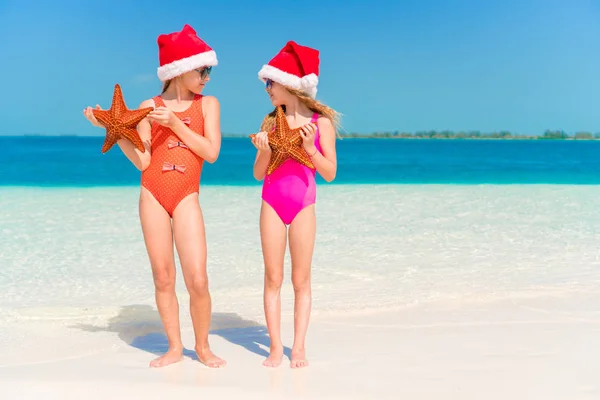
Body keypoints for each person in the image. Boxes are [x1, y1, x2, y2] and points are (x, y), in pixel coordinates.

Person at [83, 24, 225, 369]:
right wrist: (113, 131)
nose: (207, 77)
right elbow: (144, 161)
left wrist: (176, 124)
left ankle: (202, 347)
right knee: (163, 276)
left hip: (187, 195)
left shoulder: (208, 105)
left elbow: (211, 153)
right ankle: (175, 347)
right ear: (179, 70)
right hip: (153, 195)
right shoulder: (149, 106)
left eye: (209, 70)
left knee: (198, 278)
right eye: (201, 70)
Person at [250, 41, 339, 368]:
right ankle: (275, 347)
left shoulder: (320, 124)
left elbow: (329, 173)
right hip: (271, 203)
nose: (268, 89)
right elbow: (259, 174)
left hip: (304, 204)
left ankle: (298, 347)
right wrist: (264, 150)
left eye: (270, 83)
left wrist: (308, 148)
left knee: (301, 279)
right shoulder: (270, 123)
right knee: (273, 277)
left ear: (289, 83)